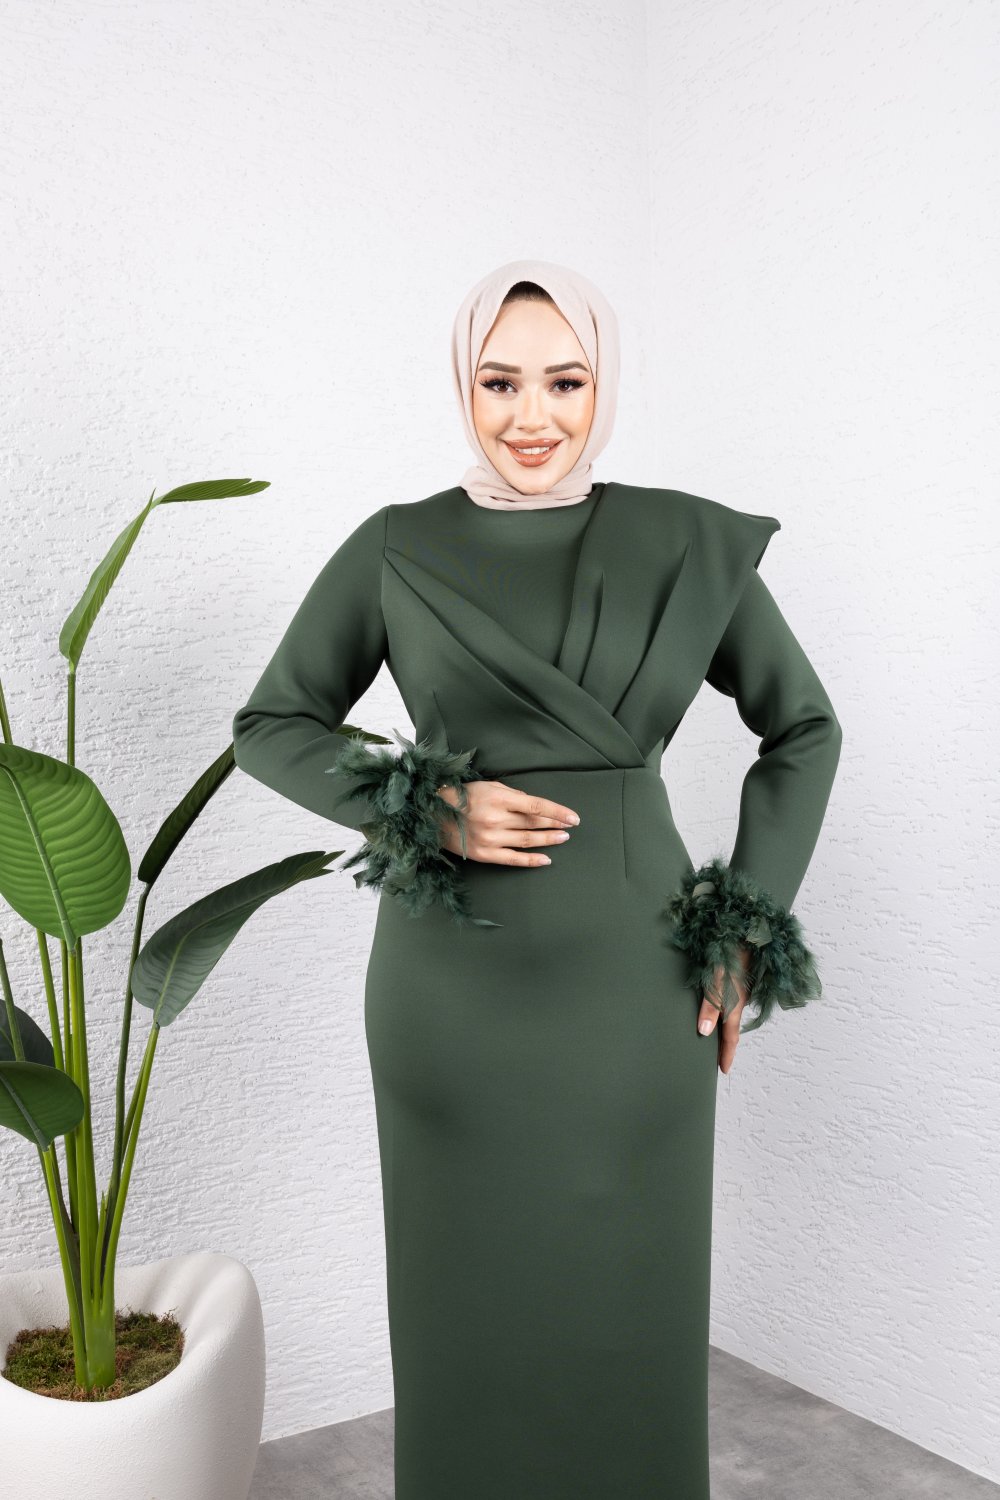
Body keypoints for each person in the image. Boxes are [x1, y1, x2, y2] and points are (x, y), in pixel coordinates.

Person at [232, 258, 843, 1499]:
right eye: (498, 381)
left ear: (603, 383)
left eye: (564, 381)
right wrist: (426, 800)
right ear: (462, 386)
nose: (530, 416)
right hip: (449, 1001)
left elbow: (804, 729)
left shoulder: (684, 543)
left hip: (637, 993)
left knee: (631, 1297)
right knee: (463, 1302)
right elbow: (272, 723)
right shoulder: (397, 546)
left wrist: (746, 925)